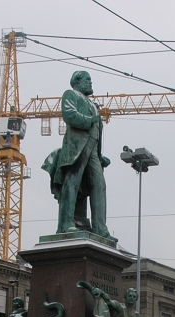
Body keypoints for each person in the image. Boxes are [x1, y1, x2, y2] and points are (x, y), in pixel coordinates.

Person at [42, 70, 111, 237]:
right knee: (72, 183)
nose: (90, 83)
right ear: (77, 81)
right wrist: (89, 121)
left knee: (99, 185)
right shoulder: (70, 95)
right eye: (87, 80)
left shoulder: (92, 105)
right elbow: (70, 115)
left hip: (92, 150)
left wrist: (99, 155)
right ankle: (66, 223)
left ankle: (100, 229)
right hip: (76, 149)